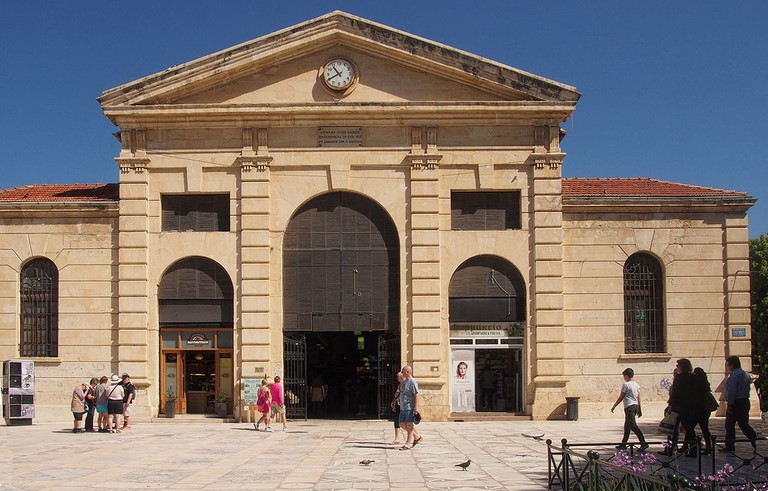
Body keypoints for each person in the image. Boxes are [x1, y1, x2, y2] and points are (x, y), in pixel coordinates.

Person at [669, 358, 706, 456]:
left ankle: (670, 449)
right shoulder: (694, 378)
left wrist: (670, 406)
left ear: (681, 367)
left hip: (681, 406)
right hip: (692, 406)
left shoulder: (679, 378)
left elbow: (675, 393)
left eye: (678, 366)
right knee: (689, 429)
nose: (677, 367)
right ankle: (692, 451)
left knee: (674, 428)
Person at [724, 355, 758, 452]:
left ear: (732, 365)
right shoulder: (745, 374)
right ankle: (753, 438)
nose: (727, 367)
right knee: (743, 424)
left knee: (729, 425)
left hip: (736, 403)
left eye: (728, 365)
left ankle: (730, 446)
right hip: (745, 401)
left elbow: (732, 391)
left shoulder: (733, 376)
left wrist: (730, 405)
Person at [610, 368, 648, 451]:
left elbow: (621, 397)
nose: (624, 378)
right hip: (635, 406)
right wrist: (640, 408)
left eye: (624, 376)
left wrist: (614, 406)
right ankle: (623, 443)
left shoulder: (626, 385)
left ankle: (643, 443)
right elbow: (638, 397)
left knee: (633, 425)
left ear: (626, 376)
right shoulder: (636, 385)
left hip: (629, 406)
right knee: (627, 426)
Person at [397, 365, 422, 450]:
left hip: (409, 407)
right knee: (401, 424)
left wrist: (415, 408)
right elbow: (401, 393)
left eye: (403, 371)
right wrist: (394, 400)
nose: (401, 372)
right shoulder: (404, 382)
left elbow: (416, 394)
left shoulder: (412, 382)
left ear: (408, 372)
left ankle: (408, 443)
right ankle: (417, 436)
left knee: (409, 424)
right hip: (403, 407)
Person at [694, 367, 715, 454]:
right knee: (705, 428)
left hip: (699, 409)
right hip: (706, 410)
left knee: (689, 428)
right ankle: (708, 446)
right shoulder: (706, 384)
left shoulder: (697, 384)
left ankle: (694, 446)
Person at [390, 371, 406, 445]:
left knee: (406, 423)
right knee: (397, 421)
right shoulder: (400, 385)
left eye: (398, 377)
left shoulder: (404, 385)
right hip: (399, 404)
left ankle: (416, 436)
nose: (397, 378)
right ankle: (397, 438)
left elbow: (400, 394)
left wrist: (394, 400)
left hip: (403, 405)